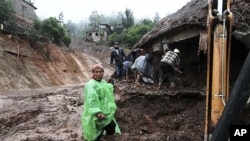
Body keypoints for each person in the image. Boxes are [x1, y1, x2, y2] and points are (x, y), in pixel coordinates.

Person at [81, 64, 121, 141]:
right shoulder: (91, 85)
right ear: (93, 73)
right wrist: (98, 113)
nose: (98, 74)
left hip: (104, 111)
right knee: (97, 132)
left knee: (110, 127)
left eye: (100, 72)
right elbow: (91, 100)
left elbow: (108, 94)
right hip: (95, 113)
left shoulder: (102, 82)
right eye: (96, 72)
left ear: (103, 72)